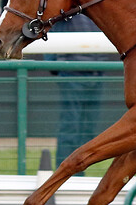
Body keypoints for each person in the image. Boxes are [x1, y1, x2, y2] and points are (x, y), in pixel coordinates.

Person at [44, 14, 104, 175]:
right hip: (72, 72)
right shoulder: (69, 1)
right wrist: (54, 65)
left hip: (97, 72)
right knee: (71, 127)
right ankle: (65, 175)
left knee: (88, 129)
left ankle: (79, 173)